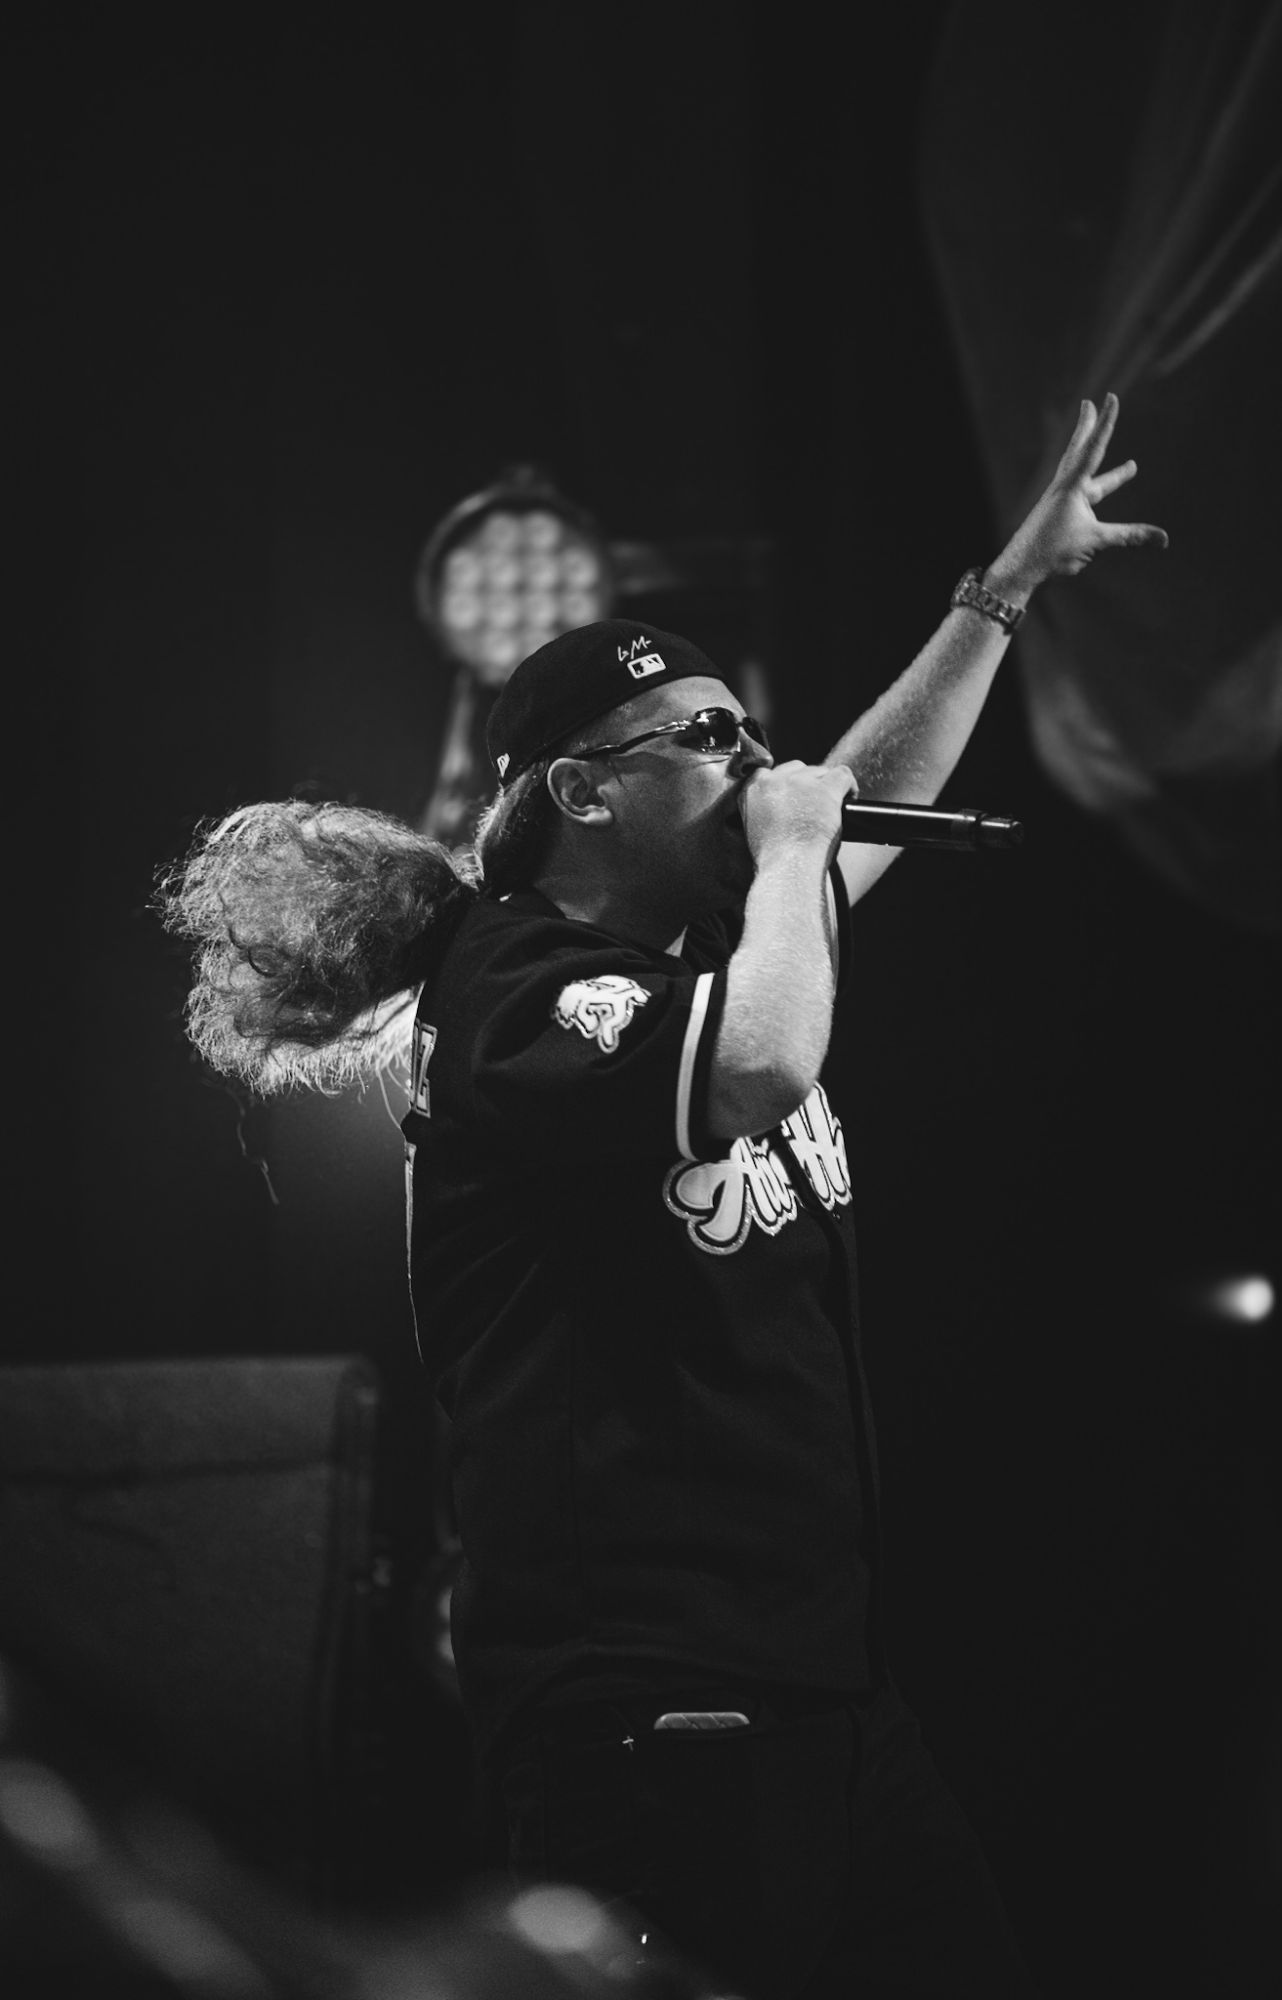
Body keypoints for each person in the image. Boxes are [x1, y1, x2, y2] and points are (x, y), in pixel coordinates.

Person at [164, 395, 1165, 1997]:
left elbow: (836, 826)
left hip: (815, 1692)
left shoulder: (693, 948)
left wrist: (995, 601)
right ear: (581, 791)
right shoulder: (516, 994)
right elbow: (760, 1068)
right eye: (706, 740)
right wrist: (784, 859)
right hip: (657, 1712)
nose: (758, 762)